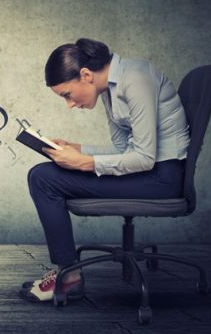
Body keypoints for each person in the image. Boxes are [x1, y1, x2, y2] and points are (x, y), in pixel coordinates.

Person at [19, 38, 190, 302]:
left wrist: (85, 162)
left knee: (43, 178)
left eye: (67, 94)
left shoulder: (135, 80)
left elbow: (144, 158)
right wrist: (78, 148)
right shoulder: (110, 88)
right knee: (42, 174)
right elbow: (123, 150)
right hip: (148, 173)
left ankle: (69, 275)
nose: (70, 104)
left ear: (85, 75)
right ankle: (68, 272)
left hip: (161, 179)